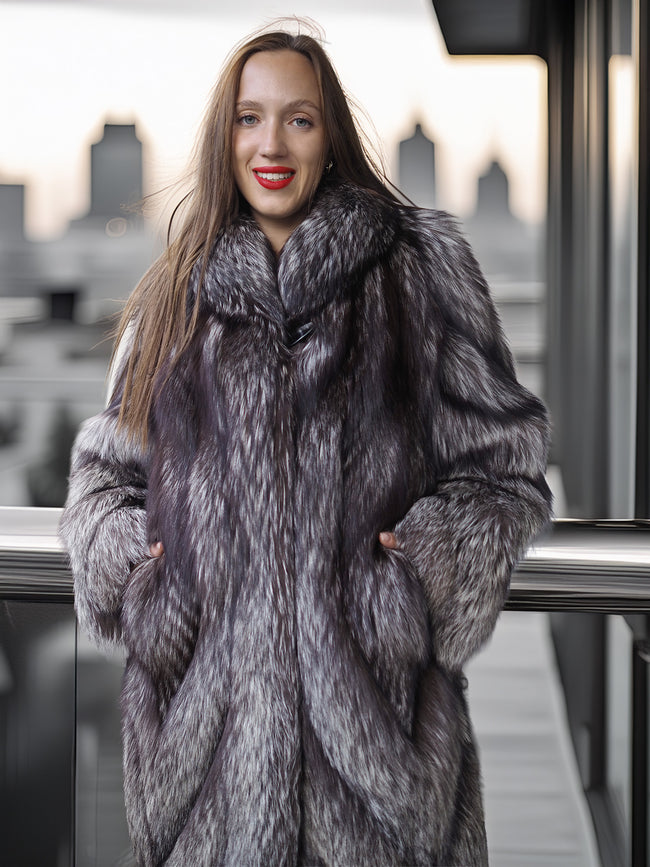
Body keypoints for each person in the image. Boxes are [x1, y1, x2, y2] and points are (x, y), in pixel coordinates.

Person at [60, 23, 552, 867]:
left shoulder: (420, 272)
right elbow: (104, 474)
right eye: (250, 119)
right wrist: (138, 570)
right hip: (202, 770)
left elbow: (505, 466)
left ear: (332, 138)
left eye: (299, 119)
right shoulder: (178, 289)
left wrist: (424, 570)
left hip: (381, 765)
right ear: (227, 137)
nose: (271, 144)